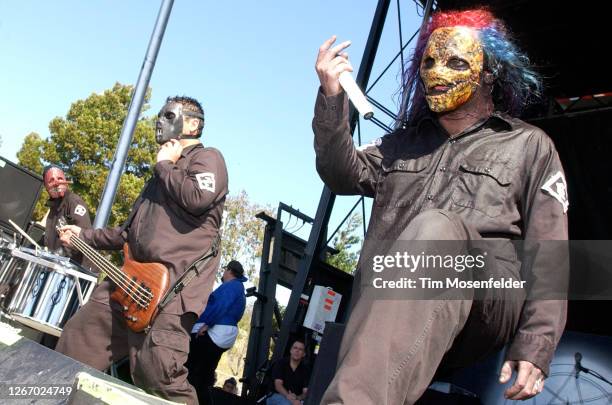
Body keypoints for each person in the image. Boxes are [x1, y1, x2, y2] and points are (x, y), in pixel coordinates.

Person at [313, 8, 568, 404]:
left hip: (484, 304)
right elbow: (339, 173)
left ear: (489, 72)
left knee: (438, 232)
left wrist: (536, 343)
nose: (437, 72)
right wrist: (331, 97)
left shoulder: (529, 145)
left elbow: (551, 251)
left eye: (455, 61)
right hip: (395, 299)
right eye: (429, 61)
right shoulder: (402, 144)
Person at [56, 95, 229, 405]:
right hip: (128, 283)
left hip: (170, 294)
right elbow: (126, 234)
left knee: (157, 375)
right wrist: (83, 234)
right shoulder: (160, 177)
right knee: (77, 340)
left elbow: (196, 197)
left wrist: (164, 165)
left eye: (168, 115)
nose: (159, 121)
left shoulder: (207, 159)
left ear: (193, 124)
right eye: (159, 116)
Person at [186, 260, 247, 402]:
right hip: (222, 334)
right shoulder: (239, 288)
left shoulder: (232, 286)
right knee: (205, 373)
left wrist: (207, 324)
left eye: (225, 270)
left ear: (230, 271)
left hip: (215, 331)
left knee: (193, 367)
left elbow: (221, 305)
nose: (224, 273)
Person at [41, 165, 91, 264]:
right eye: (51, 180)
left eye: (60, 178)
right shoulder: (54, 206)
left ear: (65, 181)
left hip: (79, 270)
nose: (57, 183)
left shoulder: (73, 202)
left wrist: (58, 255)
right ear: (46, 186)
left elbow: (84, 235)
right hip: (60, 264)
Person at [267, 340, 311, 405]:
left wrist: (297, 398)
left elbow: (305, 392)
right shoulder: (280, 363)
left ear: (304, 354)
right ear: (291, 350)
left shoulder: (305, 370)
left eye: (300, 349)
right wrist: (289, 397)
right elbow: (278, 385)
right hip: (275, 396)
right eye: (295, 348)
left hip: (295, 399)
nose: (297, 351)